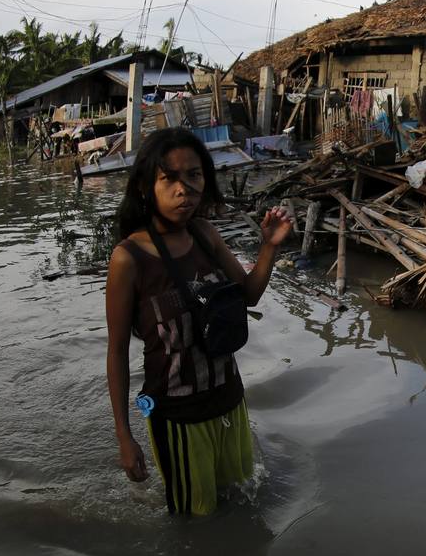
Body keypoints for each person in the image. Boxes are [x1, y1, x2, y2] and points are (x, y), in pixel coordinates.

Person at [105, 127, 292, 516]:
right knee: (194, 522)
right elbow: (117, 352)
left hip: (229, 401)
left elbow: (248, 296)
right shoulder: (129, 258)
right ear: (145, 187)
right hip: (176, 416)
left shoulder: (205, 234)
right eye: (169, 178)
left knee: (240, 500)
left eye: (193, 175)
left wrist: (268, 248)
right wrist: (124, 435)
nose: (184, 189)